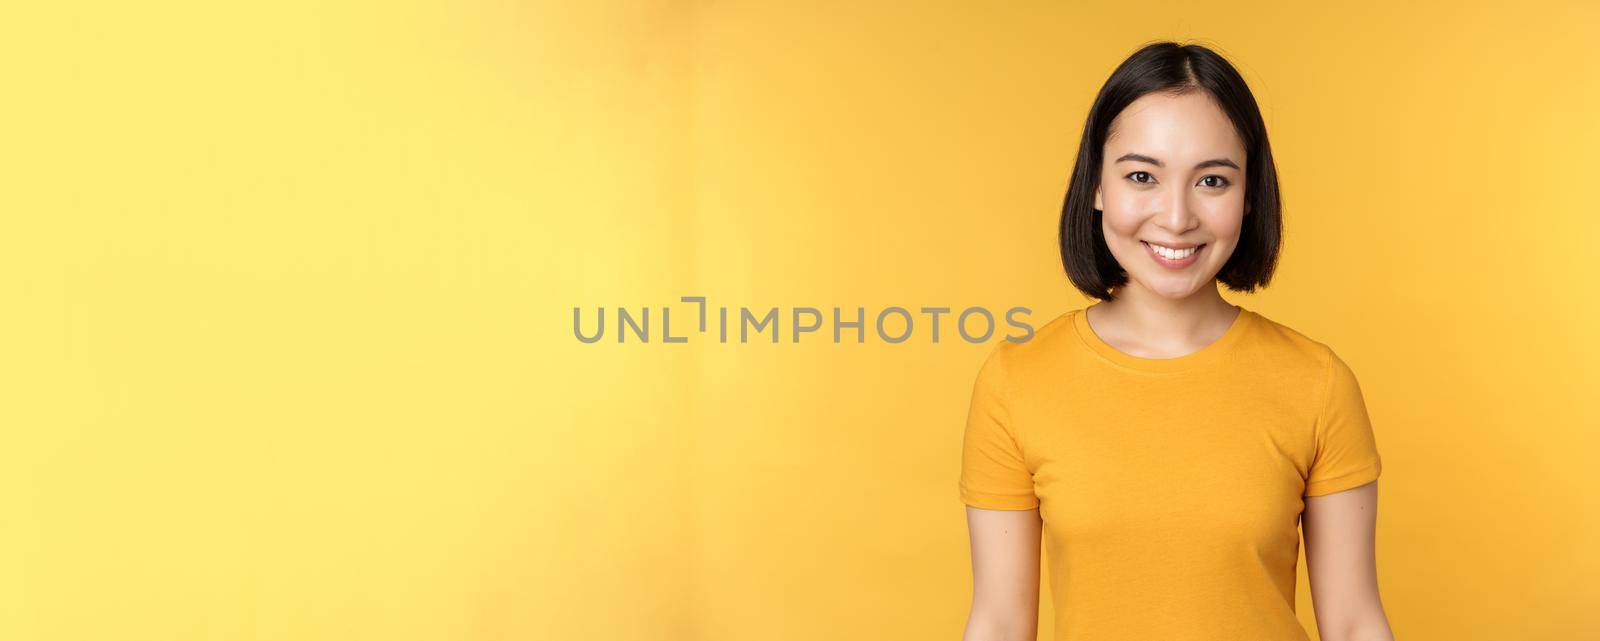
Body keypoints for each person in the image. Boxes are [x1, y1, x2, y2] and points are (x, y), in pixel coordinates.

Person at [958, 41, 1393, 641]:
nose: (1176, 215)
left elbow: (1352, 624)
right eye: (1142, 176)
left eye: (1212, 180)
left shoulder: (1318, 383)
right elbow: (1001, 623)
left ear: (1248, 199)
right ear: (1097, 187)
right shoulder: (1017, 381)